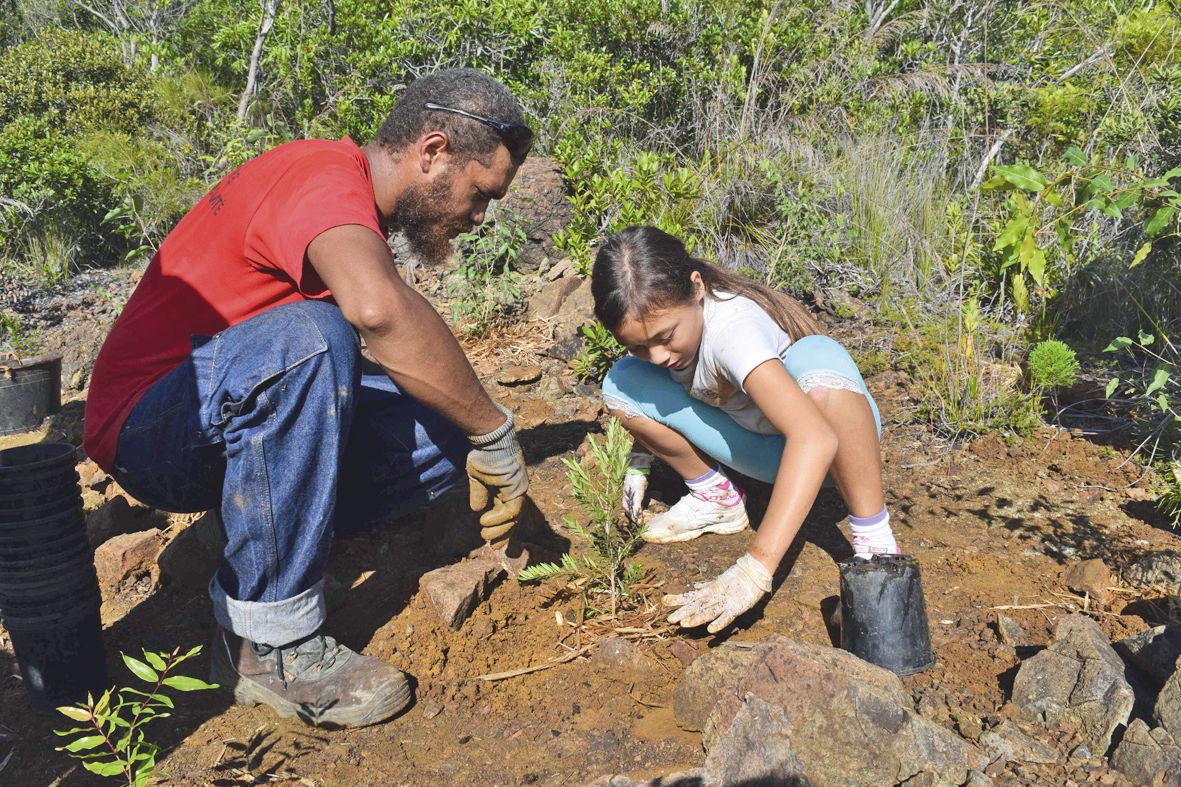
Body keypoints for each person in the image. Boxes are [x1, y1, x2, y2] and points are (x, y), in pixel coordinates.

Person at [83, 68, 535, 728]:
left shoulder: (346, 205)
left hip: (214, 408)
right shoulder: (323, 173)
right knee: (315, 339)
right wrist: (498, 433)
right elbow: (378, 310)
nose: (479, 216)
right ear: (433, 151)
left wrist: (474, 427)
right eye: (479, 192)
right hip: (148, 426)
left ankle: (232, 540)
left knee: (441, 427)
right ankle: (268, 643)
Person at [591, 225, 899, 634]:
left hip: (837, 455)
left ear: (696, 287)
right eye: (638, 345)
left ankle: (875, 544)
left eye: (665, 337)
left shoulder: (732, 332)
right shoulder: (669, 338)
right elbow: (646, 373)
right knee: (622, 382)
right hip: (767, 454)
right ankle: (717, 497)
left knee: (819, 358)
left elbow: (816, 437)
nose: (658, 356)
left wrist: (754, 568)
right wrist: (643, 453)